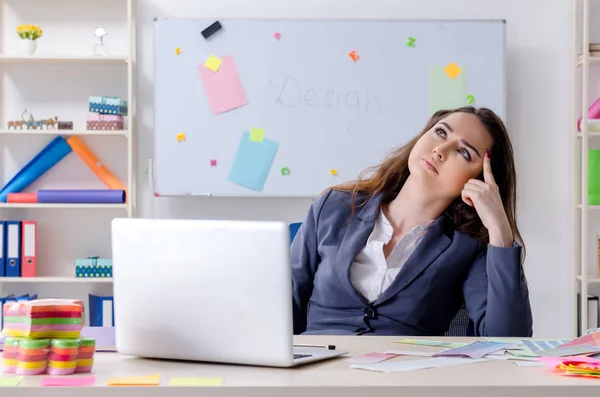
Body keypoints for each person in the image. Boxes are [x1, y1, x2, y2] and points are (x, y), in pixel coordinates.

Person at [291, 106, 533, 337]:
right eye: (440, 132)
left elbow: (508, 338)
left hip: (406, 374)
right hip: (320, 370)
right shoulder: (335, 207)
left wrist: (500, 231)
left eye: (463, 152)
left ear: (480, 180)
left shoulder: (468, 246)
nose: (441, 149)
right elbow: (283, 305)